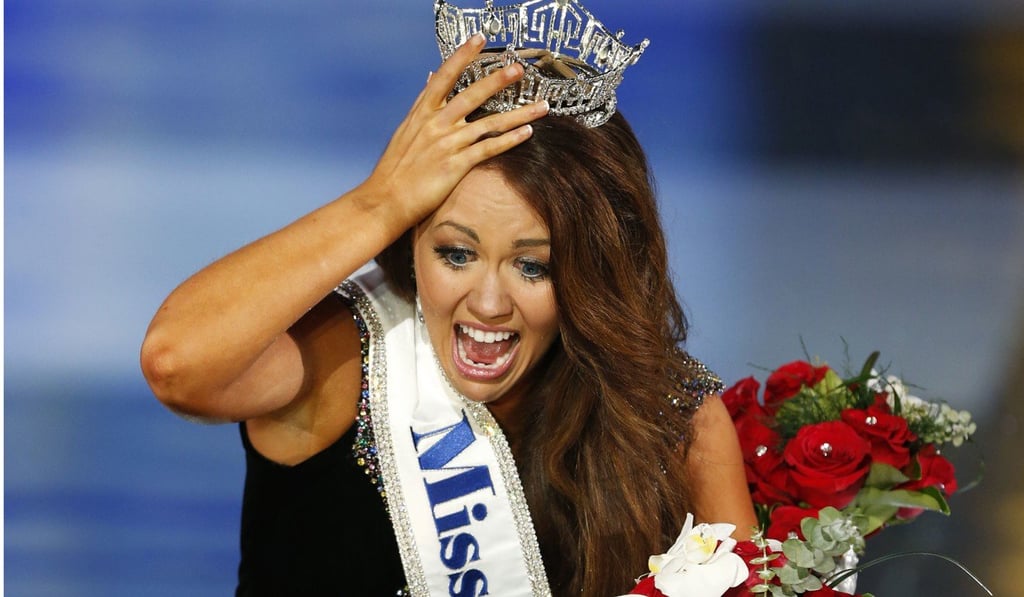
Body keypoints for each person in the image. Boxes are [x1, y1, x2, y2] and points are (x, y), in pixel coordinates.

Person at [140, 4, 756, 595]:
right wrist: (377, 202)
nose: (487, 303)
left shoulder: (667, 414)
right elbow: (176, 363)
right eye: (456, 254)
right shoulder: (342, 361)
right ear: (411, 242)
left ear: (596, 274)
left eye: (533, 266)